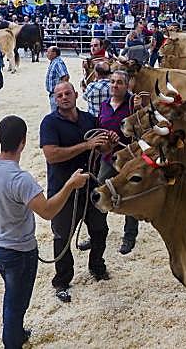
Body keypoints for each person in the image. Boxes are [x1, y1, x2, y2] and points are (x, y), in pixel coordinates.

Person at [0, 115, 89, 348]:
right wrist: (70, 184)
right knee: (15, 304)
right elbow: (47, 211)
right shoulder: (21, 179)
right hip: (19, 251)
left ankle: (17, 333)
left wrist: (2, 216)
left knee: (12, 294)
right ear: (23, 141)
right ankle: (12, 342)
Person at [40, 82, 118, 303]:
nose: (64, 97)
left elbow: (101, 149)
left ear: (76, 95)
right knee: (63, 237)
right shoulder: (50, 123)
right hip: (64, 191)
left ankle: (97, 267)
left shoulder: (89, 119)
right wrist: (85, 145)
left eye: (67, 93)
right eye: (59, 95)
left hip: (91, 187)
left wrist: (107, 143)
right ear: (55, 99)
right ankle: (62, 281)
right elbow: (51, 155)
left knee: (100, 230)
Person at [97, 71, 145, 254]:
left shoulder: (134, 105)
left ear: (127, 86)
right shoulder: (104, 105)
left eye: (119, 83)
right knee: (100, 189)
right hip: (108, 158)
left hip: (128, 160)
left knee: (129, 195)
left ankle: (129, 236)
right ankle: (98, 230)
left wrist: (140, 110)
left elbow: (142, 131)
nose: (115, 85)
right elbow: (99, 126)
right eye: (112, 82)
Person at [45, 46, 70, 112]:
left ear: (54, 53)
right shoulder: (54, 62)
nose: (46, 54)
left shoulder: (57, 63)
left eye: (48, 52)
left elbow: (65, 76)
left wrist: (60, 90)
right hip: (54, 93)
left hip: (56, 94)